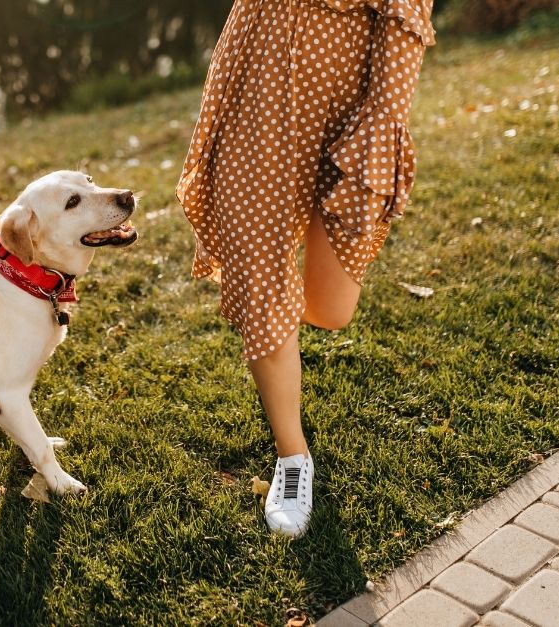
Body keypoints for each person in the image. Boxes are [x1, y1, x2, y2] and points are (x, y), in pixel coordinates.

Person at [176, 0, 435, 538]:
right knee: (255, 264)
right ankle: (293, 456)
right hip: (259, 70)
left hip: (350, 77)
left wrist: (384, 114)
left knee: (331, 307)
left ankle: (279, 305)